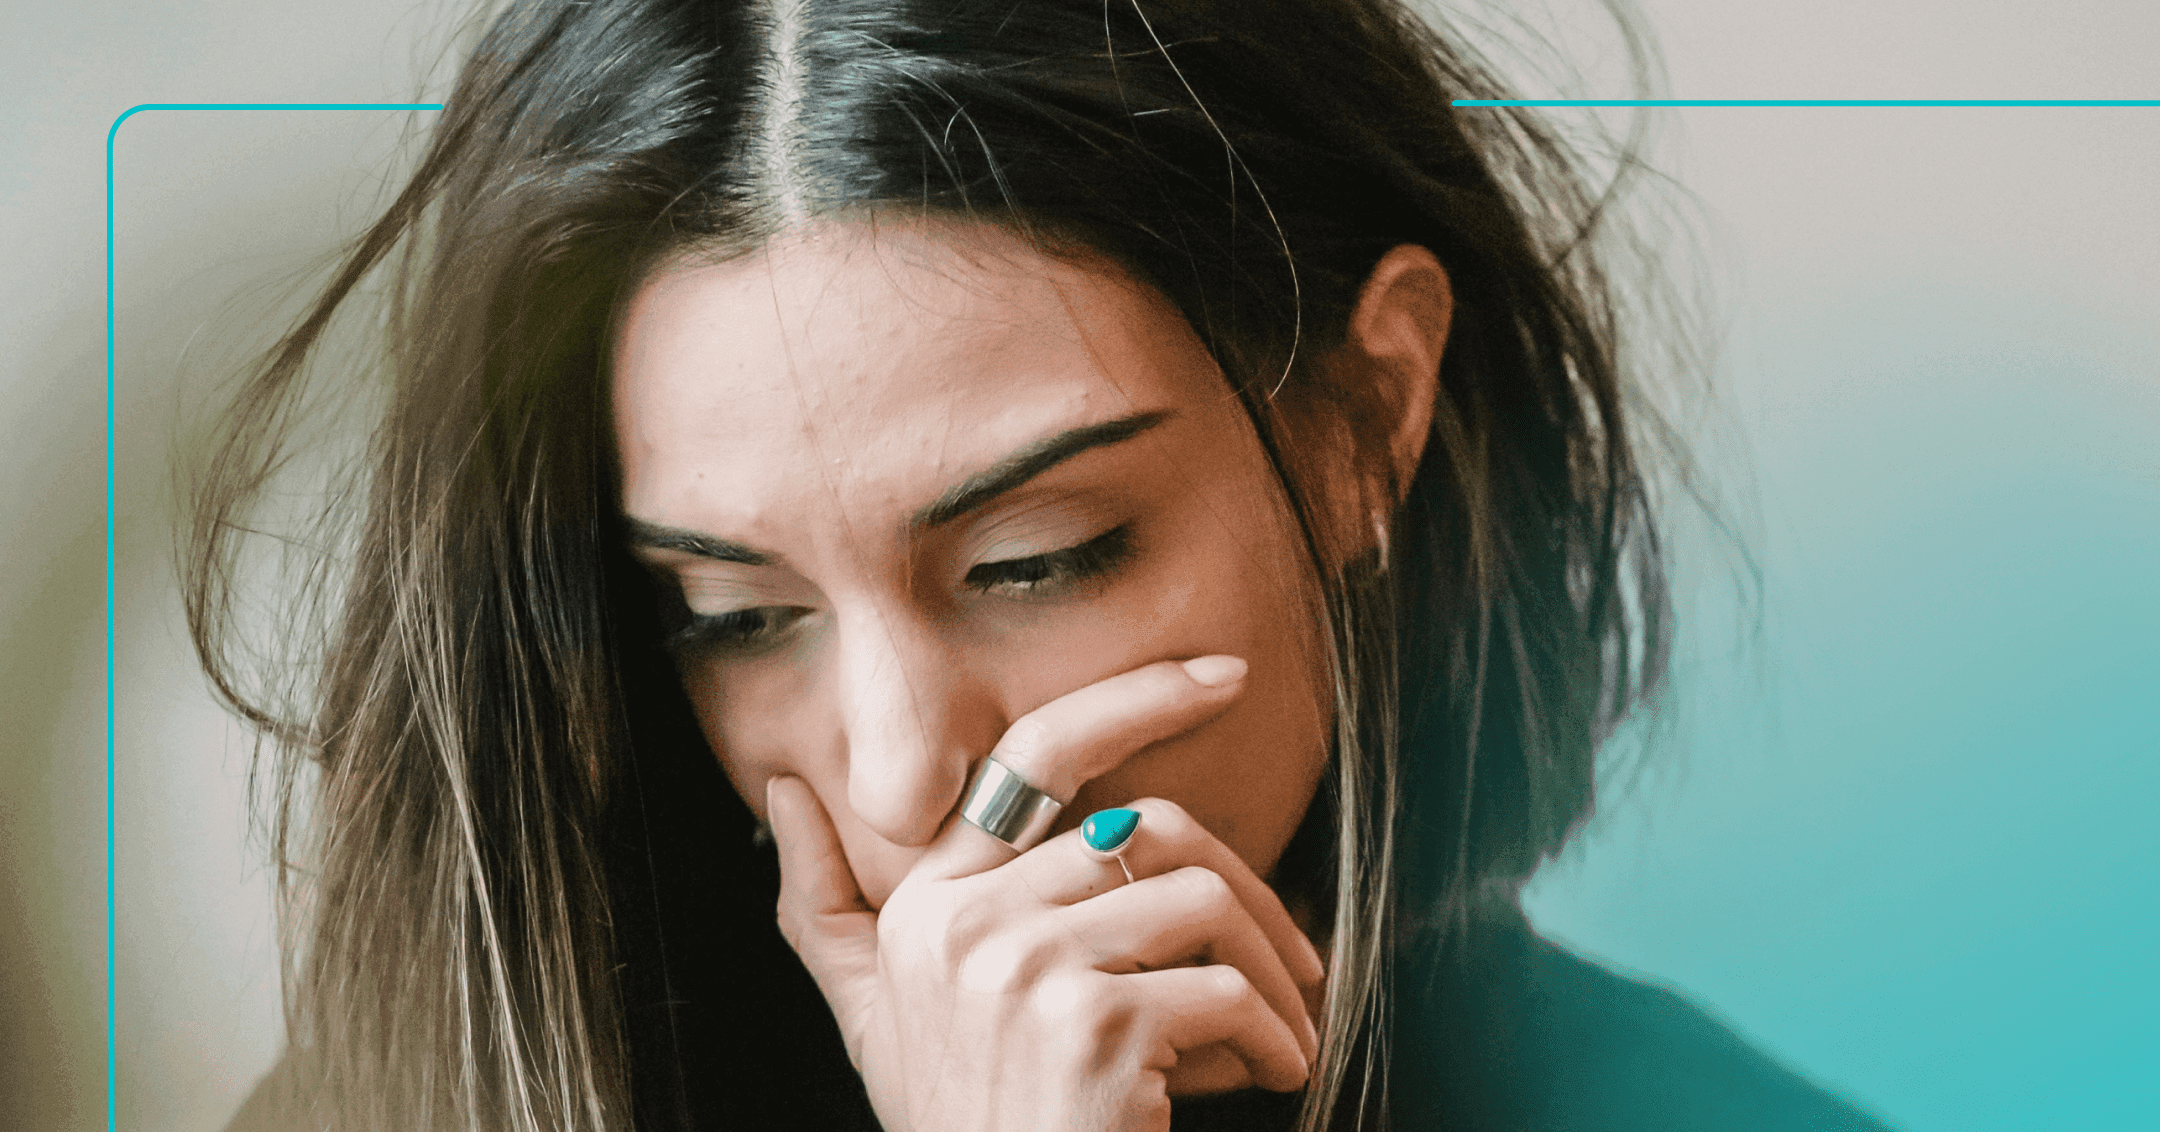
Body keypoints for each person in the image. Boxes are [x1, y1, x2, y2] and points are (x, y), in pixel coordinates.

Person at [192, 0, 1891, 1129]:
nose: (901, 765)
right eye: (738, 616)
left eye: (1036, 561)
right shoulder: (433, 1091)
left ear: (1366, 418)